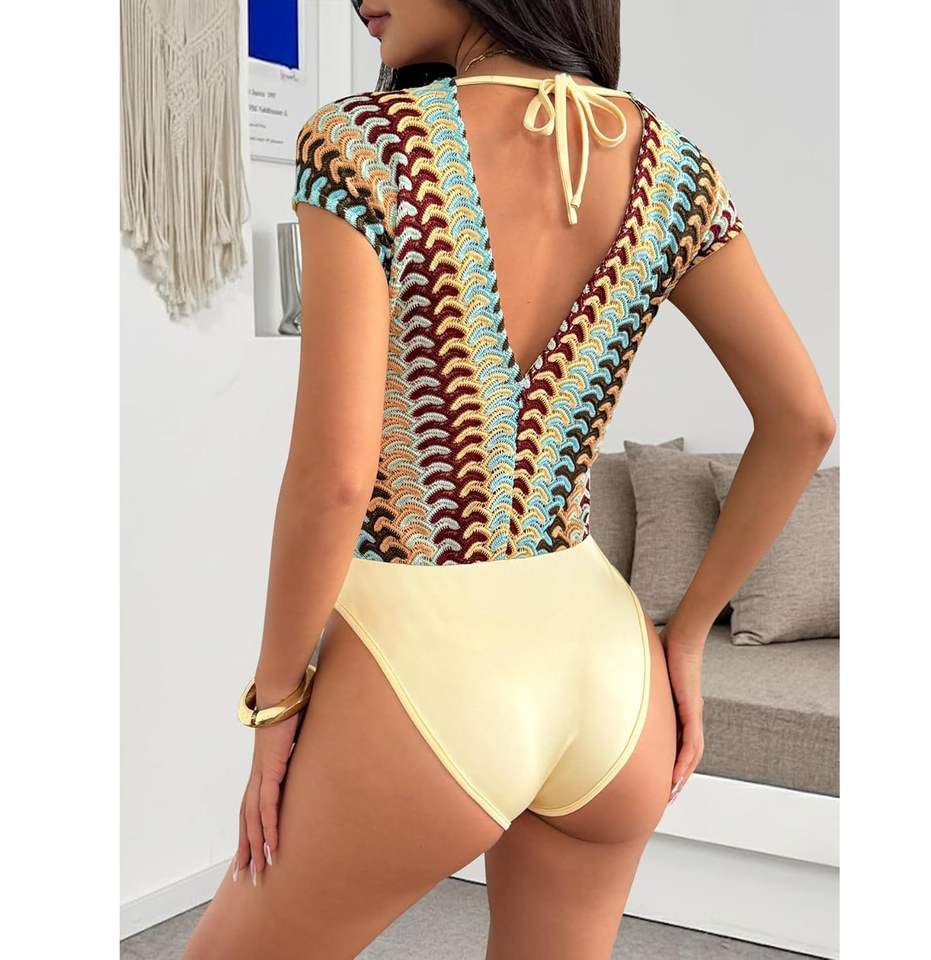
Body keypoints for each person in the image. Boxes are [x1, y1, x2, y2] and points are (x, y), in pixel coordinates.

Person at [183, 1, 835, 957]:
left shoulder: (361, 144)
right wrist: (688, 635)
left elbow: (334, 480)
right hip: (610, 675)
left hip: (428, 668)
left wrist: (274, 707)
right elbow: (803, 421)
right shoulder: (674, 167)